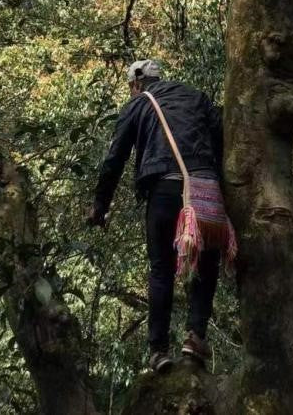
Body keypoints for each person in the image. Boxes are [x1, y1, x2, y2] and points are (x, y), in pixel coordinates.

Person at [88, 59, 224, 372]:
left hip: (164, 190)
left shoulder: (137, 105)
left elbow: (115, 158)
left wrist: (100, 204)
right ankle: (195, 336)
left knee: (162, 268)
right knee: (207, 261)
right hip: (204, 189)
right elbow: (220, 138)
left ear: (136, 84)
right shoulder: (195, 96)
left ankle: (158, 351)